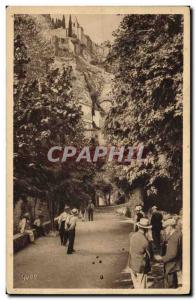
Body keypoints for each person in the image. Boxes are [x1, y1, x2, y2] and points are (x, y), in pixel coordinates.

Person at [154, 218, 182, 288]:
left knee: (169, 285)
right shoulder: (176, 233)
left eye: (165, 227)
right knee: (173, 283)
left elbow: (173, 254)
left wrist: (161, 259)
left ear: (170, 227)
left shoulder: (174, 237)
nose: (164, 229)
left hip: (171, 265)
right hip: (173, 265)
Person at [129, 218, 152, 288]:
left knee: (136, 285)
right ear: (146, 229)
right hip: (141, 267)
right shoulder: (145, 241)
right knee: (142, 288)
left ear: (139, 227)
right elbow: (150, 255)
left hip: (132, 264)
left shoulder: (132, 236)